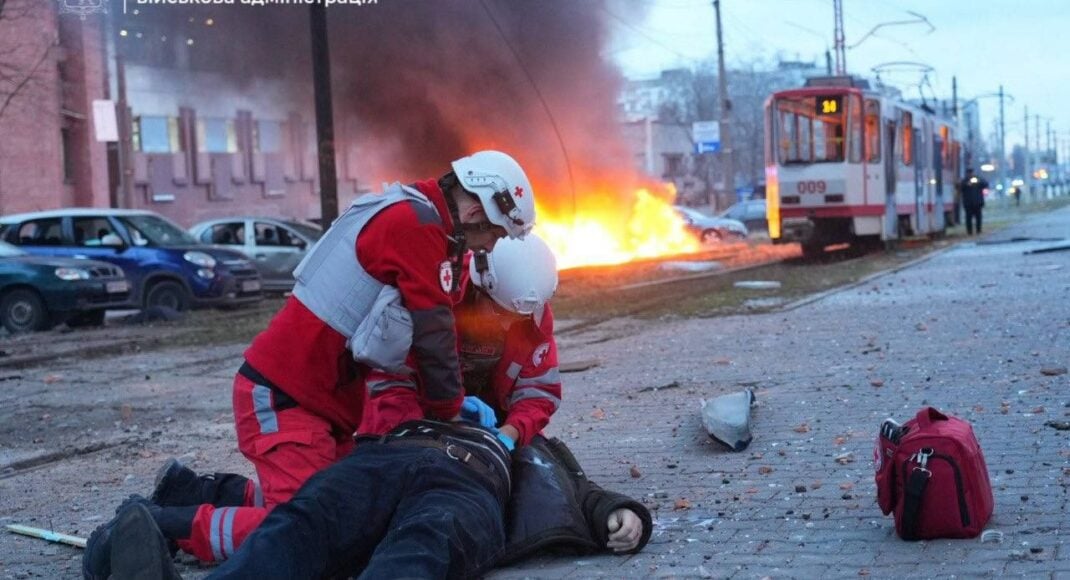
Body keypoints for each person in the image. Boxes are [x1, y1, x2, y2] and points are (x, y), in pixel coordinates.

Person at [82, 151, 537, 579]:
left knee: (347, 511)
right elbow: (433, 333)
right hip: (286, 397)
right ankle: (157, 529)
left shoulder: (420, 221)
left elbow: (417, 341)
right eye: (496, 235)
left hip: (320, 405)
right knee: (302, 527)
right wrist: (449, 411)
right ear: (479, 212)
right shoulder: (415, 226)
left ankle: (192, 493)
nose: (491, 247)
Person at [959, 168, 988, 236]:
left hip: (977, 202)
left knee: (978, 217)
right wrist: (967, 184)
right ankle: (969, 231)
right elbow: (960, 187)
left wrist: (979, 181)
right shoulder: (965, 181)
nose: (970, 174)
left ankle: (978, 230)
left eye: (971, 173)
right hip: (968, 203)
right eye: (969, 173)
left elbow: (985, 184)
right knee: (968, 218)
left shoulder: (978, 179)